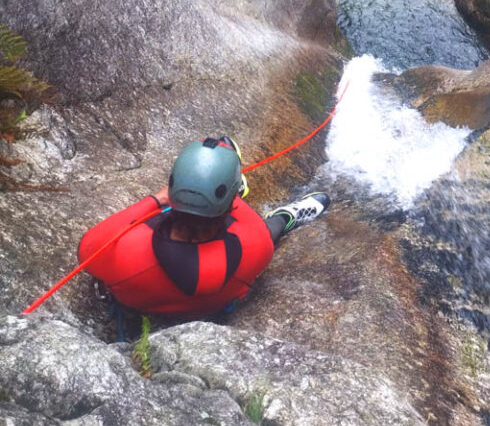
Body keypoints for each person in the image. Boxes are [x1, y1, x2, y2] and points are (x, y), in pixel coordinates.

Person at [79, 135, 330, 320]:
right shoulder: (256, 244)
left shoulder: (126, 255)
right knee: (271, 228)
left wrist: (156, 200)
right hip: (218, 303)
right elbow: (243, 216)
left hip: (148, 305)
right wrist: (226, 192)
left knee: (152, 222)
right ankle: (286, 216)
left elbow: (87, 245)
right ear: (234, 200)